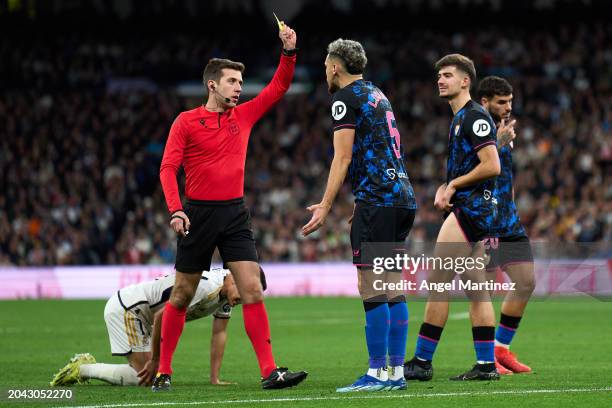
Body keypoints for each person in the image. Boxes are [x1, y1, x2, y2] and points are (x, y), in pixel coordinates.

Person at [155, 21, 306, 391]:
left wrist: (288, 51)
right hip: (198, 214)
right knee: (182, 294)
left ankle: (270, 371)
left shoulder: (244, 115)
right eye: (232, 82)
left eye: (240, 83)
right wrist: (176, 209)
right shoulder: (186, 122)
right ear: (212, 85)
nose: (239, 88)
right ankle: (164, 370)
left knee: (252, 288)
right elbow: (168, 168)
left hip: (235, 213)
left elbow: (279, 87)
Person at [302, 38, 417, 392]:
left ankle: (377, 373)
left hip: (378, 202)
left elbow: (343, 157)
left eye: (325, 64)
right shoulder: (377, 94)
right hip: (401, 197)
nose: (324, 70)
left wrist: (325, 204)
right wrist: (360, 201)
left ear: (335, 66)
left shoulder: (344, 99)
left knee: (371, 288)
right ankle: (396, 374)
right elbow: (379, 150)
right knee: (393, 287)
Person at [403, 54, 510, 381]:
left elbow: (492, 166)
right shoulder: (461, 118)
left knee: (438, 285)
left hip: (470, 211)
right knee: (477, 289)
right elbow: (476, 166)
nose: (441, 80)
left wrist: (452, 186)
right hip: (476, 210)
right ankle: (486, 365)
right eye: (439, 75)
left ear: (466, 81)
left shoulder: (473, 116)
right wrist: (447, 186)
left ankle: (421, 362)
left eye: (448, 75)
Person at [50, 267, 243, 387]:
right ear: (233, 278)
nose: (243, 299)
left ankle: (89, 367)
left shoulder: (227, 294)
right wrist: (157, 360)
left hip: (146, 318)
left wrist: (214, 378)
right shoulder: (205, 287)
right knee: (144, 378)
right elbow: (162, 317)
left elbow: (219, 332)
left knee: (149, 375)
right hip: (129, 309)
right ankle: (84, 369)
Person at [478, 76, 535, 375]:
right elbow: (470, 171)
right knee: (485, 289)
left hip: (508, 220)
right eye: (501, 102)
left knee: (526, 282)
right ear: (485, 102)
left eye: (510, 102)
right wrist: (497, 145)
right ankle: (486, 358)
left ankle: (502, 349)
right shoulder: (475, 128)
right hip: (485, 220)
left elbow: (505, 175)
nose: (508, 107)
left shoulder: (504, 131)